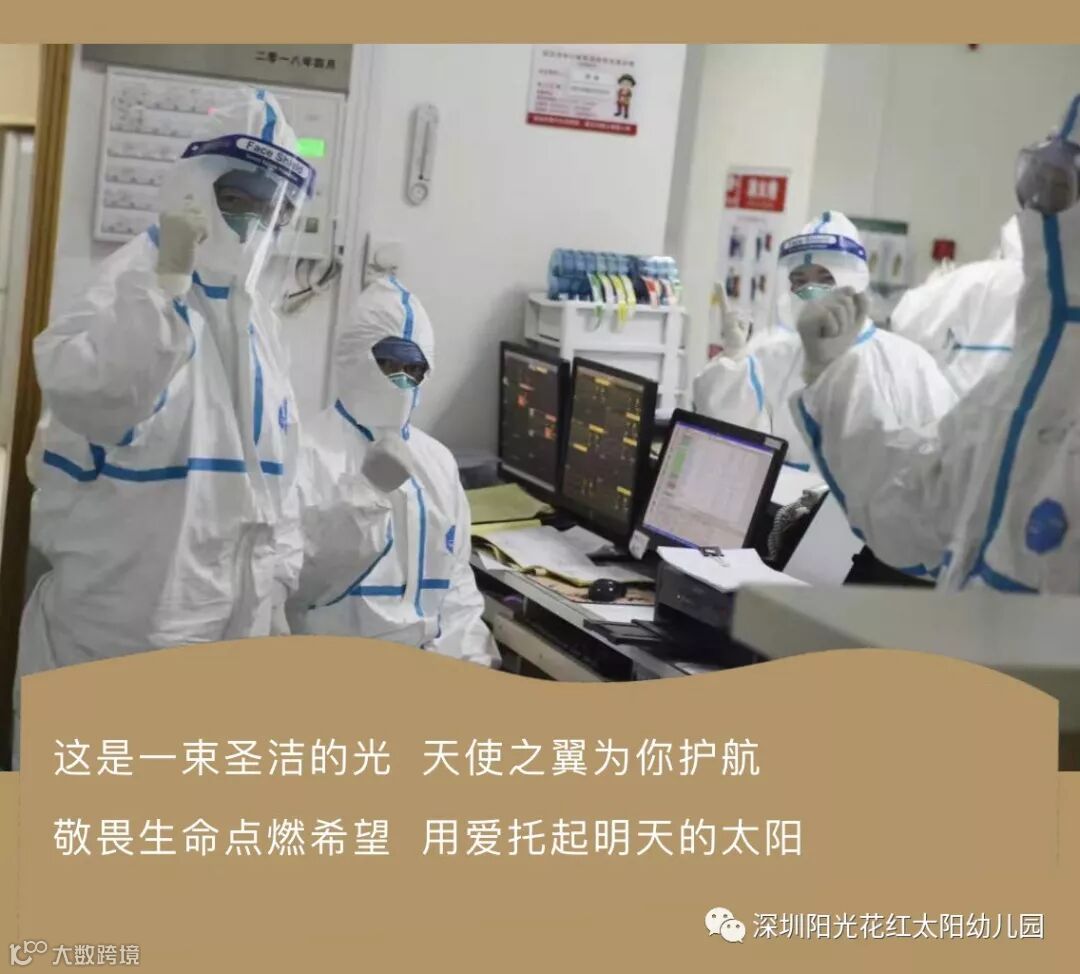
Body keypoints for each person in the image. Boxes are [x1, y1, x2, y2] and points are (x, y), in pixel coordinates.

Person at [13, 87, 313, 760]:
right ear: (194, 188)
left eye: (274, 210)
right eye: (239, 199)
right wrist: (166, 286)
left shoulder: (257, 324)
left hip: (222, 647)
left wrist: (275, 590)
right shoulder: (128, 289)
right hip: (115, 645)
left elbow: (279, 484)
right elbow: (101, 395)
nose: (255, 225)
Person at [788, 94, 1080, 593]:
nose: (1042, 206)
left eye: (1060, 187)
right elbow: (918, 501)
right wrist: (836, 376)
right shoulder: (1031, 381)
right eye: (1043, 181)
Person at [287, 276, 500, 668]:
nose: (402, 380)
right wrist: (365, 495)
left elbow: (457, 592)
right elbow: (294, 590)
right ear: (354, 356)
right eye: (387, 364)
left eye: (414, 368)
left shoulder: (437, 462)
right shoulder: (301, 454)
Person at [693, 210, 957, 475]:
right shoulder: (772, 355)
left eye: (824, 279)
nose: (810, 293)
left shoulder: (907, 365)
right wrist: (733, 364)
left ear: (853, 282)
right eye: (799, 281)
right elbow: (735, 447)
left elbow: (941, 461)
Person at [888, 216, 1023, 396]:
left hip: (965, 403)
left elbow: (905, 321)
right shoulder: (1059, 288)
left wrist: (936, 284)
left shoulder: (978, 277)